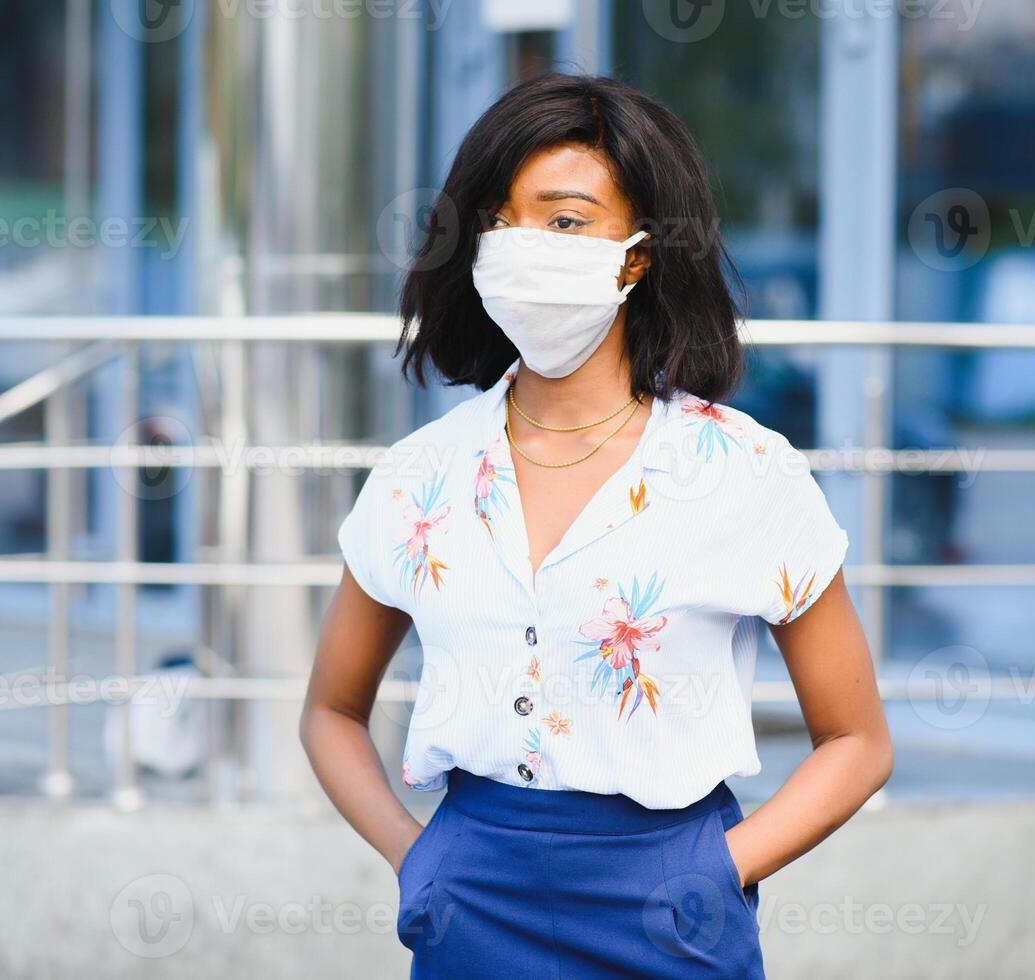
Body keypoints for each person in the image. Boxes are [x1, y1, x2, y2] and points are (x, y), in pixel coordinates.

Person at [300, 72, 892, 978]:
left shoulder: (744, 472)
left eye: (566, 220)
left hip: (669, 905)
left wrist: (715, 873)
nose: (524, 246)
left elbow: (857, 742)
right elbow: (332, 711)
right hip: (472, 902)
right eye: (500, 221)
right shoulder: (419, 475)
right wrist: (417, 858)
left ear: (639, 256)